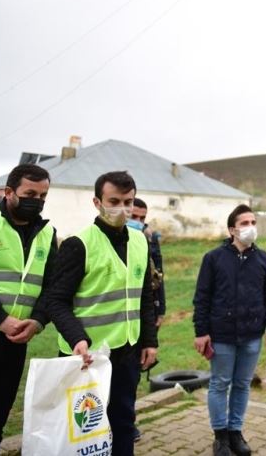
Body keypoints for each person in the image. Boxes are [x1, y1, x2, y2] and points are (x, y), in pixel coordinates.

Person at [46, 171, 158, 456]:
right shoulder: (78, 244)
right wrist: (76, 339)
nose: (122, 208)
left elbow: (145, 295)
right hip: (86, 356)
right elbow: (56, 301)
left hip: (127, 352)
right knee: (86, 433)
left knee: (123, 424)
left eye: (128, 201)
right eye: (114, 201)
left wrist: (149, 341)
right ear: (97, 202)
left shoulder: (141, 241)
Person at [0, 164, 56, 455]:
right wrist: (1, 319)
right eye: (30, 193)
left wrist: (38, 322)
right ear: (8, 192)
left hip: (14, 343)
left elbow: (51, 288)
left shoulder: (47, 233)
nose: (37, 201)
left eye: (43, 196)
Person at [193, 204, 266, 456]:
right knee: (220, 383)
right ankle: (220, 438)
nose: (250, 227)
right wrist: (201, 331)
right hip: (222, 335)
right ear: (232, 229)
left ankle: (235, 433)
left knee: (242, 384)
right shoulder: (213, 258)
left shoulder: (263, 259)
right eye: (244, 223)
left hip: (252, 335)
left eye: (253, 222)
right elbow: (202, 297)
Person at [128, 198, 166, 329]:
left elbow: (159, 275)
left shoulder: (150, 238)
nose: (138, 222)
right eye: (133, 217)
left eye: (142, 218)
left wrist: (161, 310)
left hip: (148, 306)